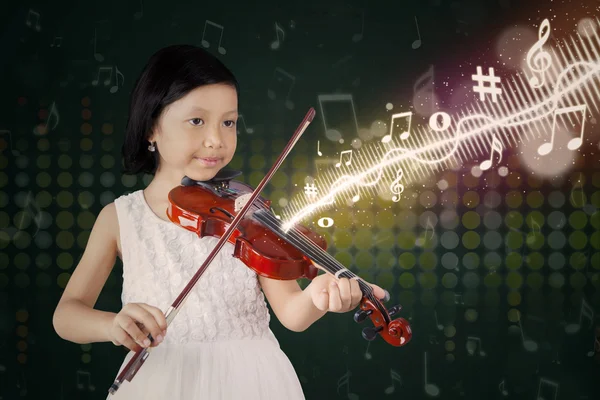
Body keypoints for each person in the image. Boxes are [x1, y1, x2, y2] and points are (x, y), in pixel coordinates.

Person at [52, 44, 387, 400]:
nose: (216, 140)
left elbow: (292, 314)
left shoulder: (246, 211)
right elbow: (66, 315)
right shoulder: (120, 218)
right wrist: (112, 324)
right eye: (197, 121)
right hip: (160, 383)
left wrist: (319, 296)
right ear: (151, 128)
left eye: (228, 122)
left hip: (252, 381)